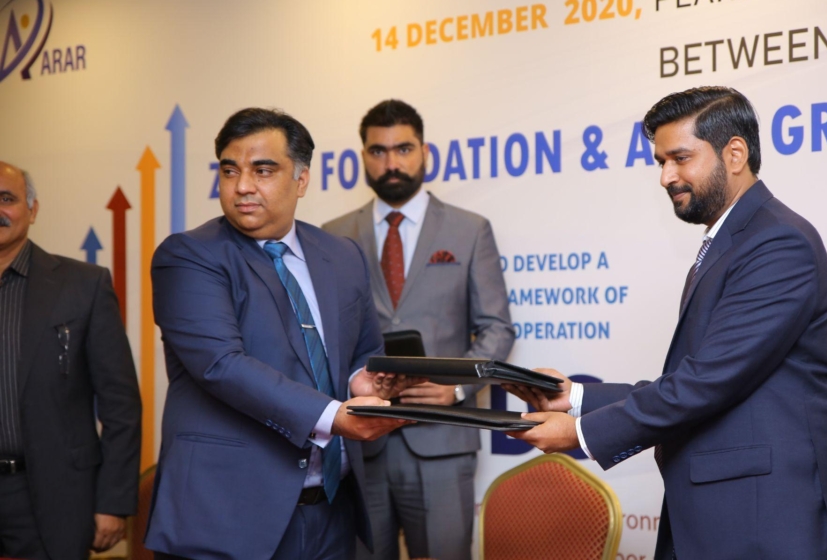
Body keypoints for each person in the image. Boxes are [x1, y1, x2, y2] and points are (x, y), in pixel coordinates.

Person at [507, 87, 827, 560]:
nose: (665, 177)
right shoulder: (731, 240)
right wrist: (574, 397)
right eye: (660, 162)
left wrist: (580, 433)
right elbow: (697, 379)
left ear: (734, 154)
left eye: (680, 158)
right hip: (723, 515)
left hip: (768, 521)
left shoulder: (778, 242)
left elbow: (707, 382)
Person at [144, 108, 421, 560]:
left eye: (263, 170)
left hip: (331, 511)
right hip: (226, 516)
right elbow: (221, 366)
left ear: (301, 179)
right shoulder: (188, 257)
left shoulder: (341, 254)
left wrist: (363, 383)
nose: (242, 186)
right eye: (229, 171)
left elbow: (362, 352)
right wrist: (335, 416)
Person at [323, 99, 514, 560]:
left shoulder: (469, 230)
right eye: (378, 151)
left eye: (403, 149)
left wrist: (456, 389)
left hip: (442, 440)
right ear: (363, 157)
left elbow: (497, 329)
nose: (391, 162)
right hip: (360, 441)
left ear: (425, 153)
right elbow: (326, 338)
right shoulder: (332, 236)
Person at [0, 162, 141, 560]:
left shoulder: (83, 285)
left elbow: (120, 405)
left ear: (32, 210)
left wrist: (112, 501)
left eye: (6, 199)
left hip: (53, 497)